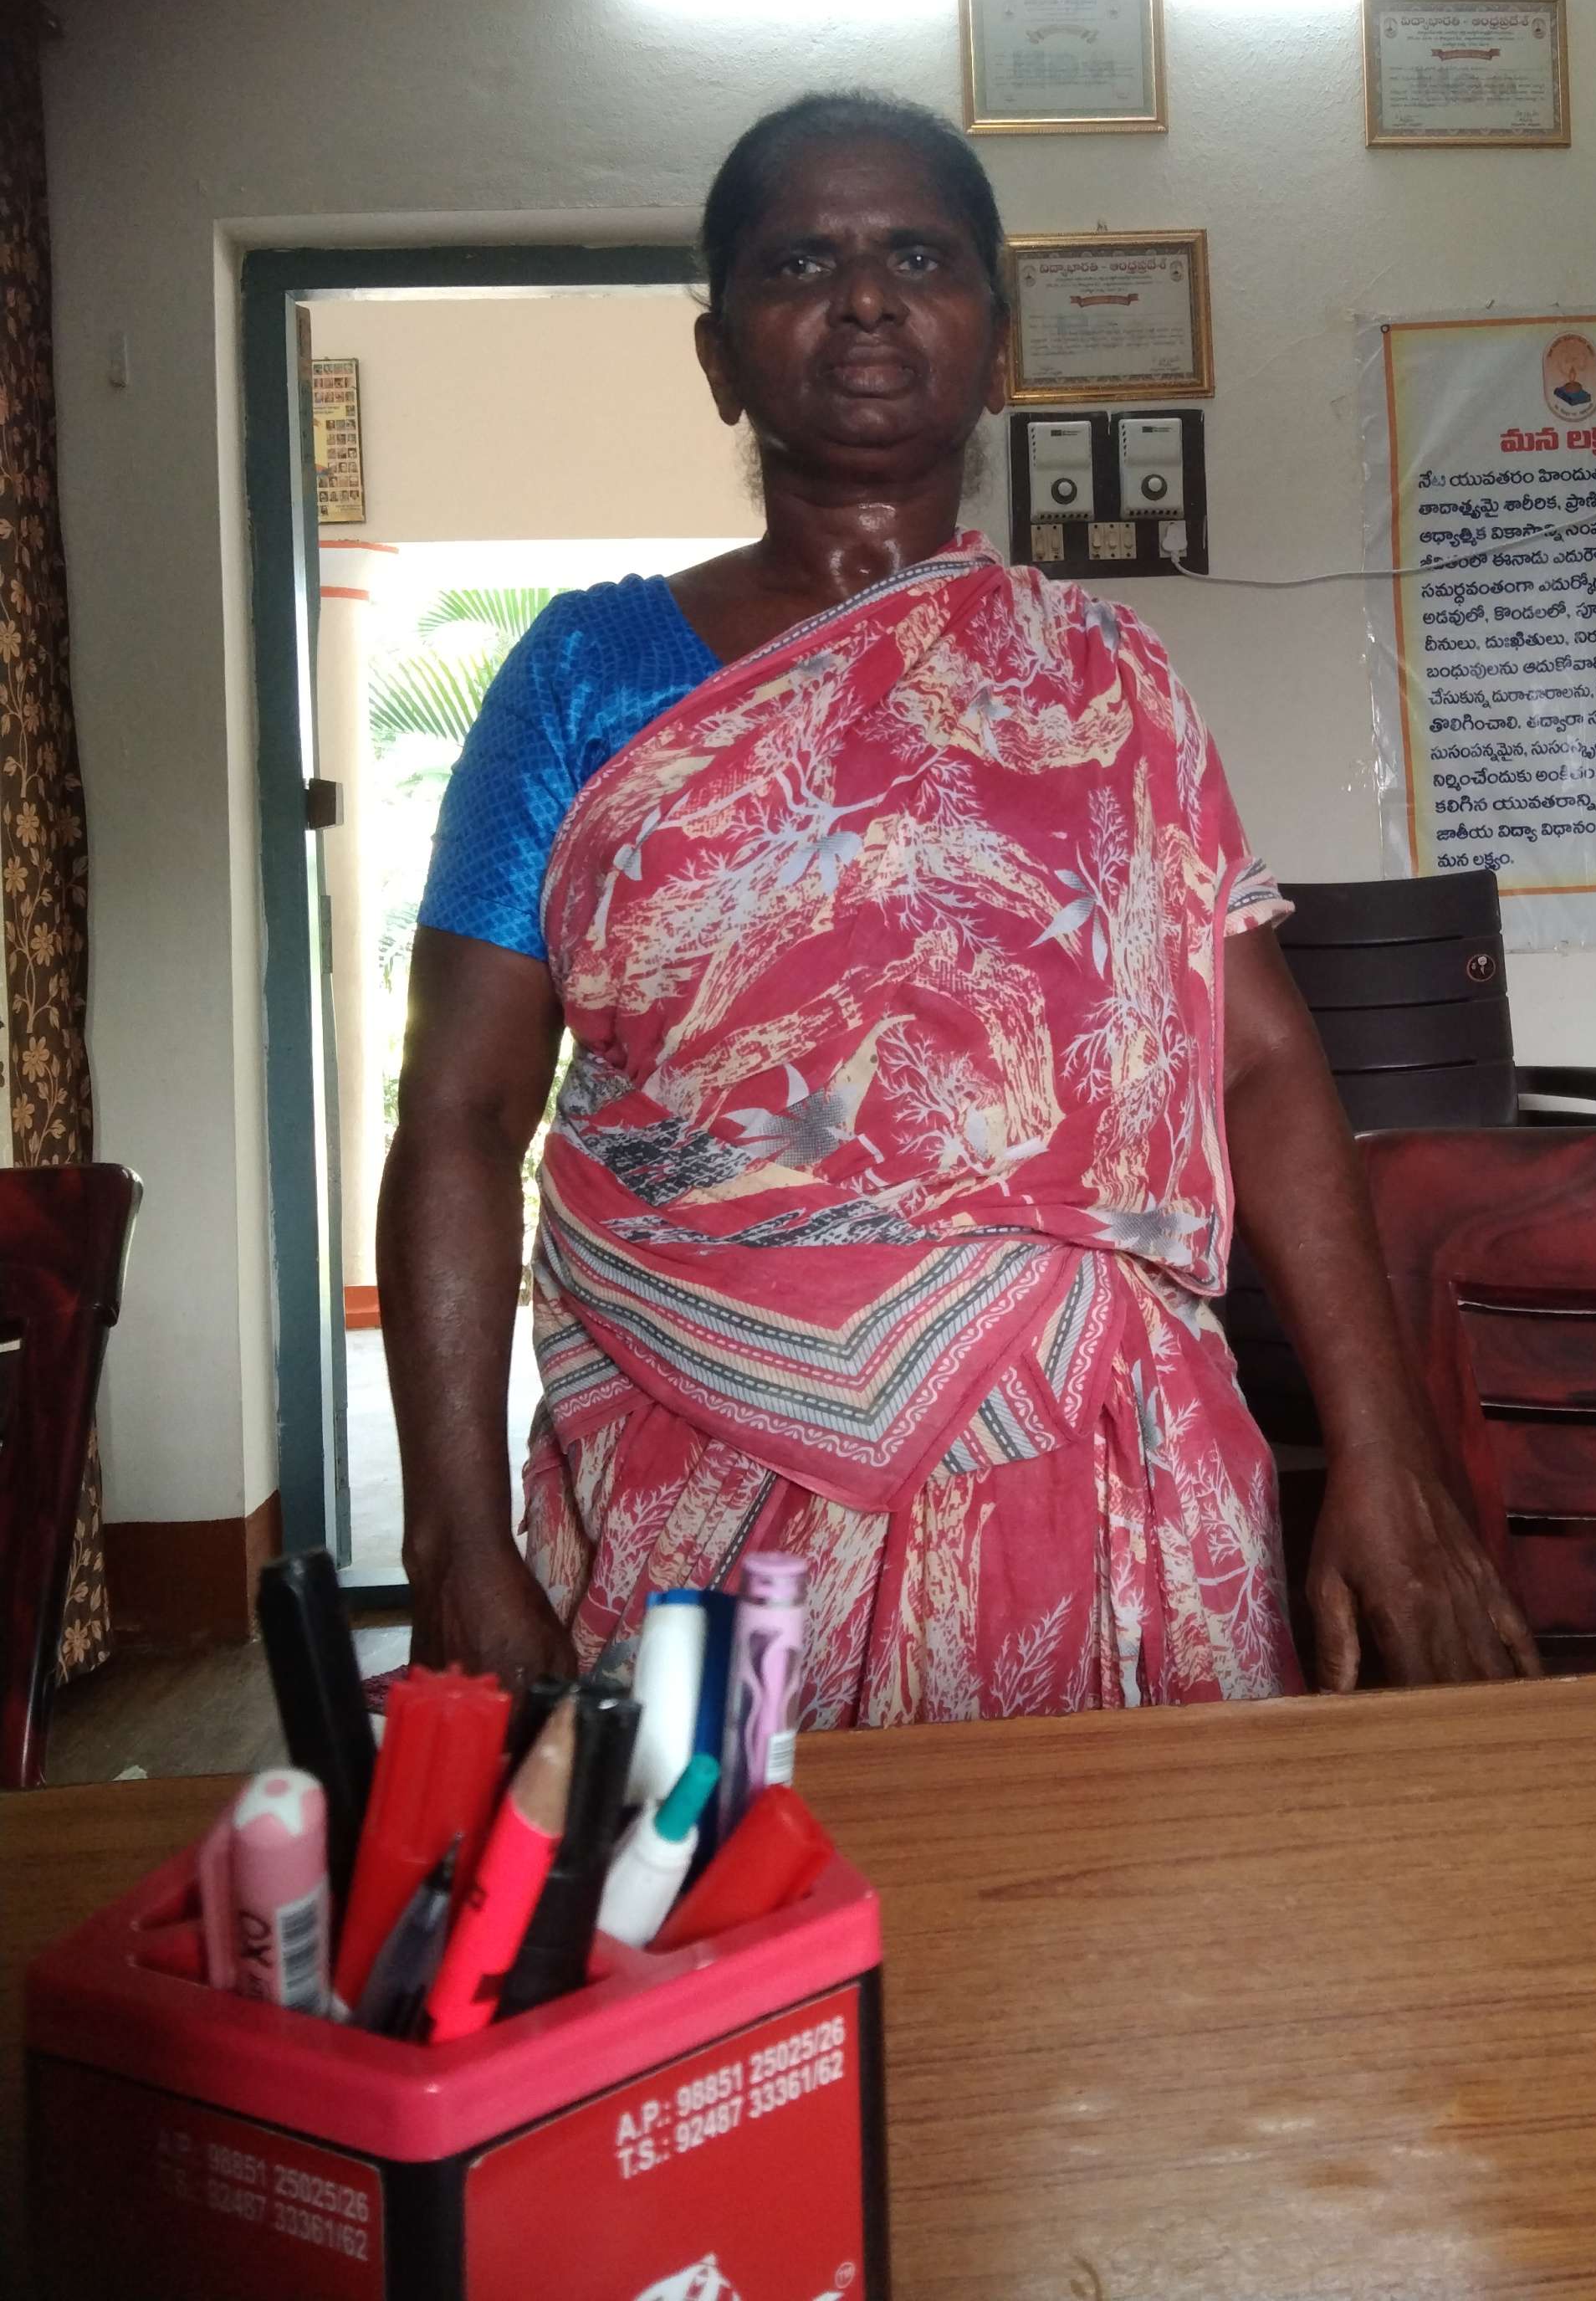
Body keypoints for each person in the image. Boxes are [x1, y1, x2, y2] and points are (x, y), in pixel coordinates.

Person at [381, 90, 1537, 1722]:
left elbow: (1263, 1067)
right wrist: (451, 1538)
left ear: (999, 346)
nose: (864, 295)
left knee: (1137, 1884)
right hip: (696, 1467)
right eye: (802, 261)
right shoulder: (584, 677)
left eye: (918, 256)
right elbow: (459, 1108)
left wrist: (1386, 1453)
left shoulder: (1107, 682)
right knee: (722, 1878)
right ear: (719, 356)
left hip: (1097, 1470)